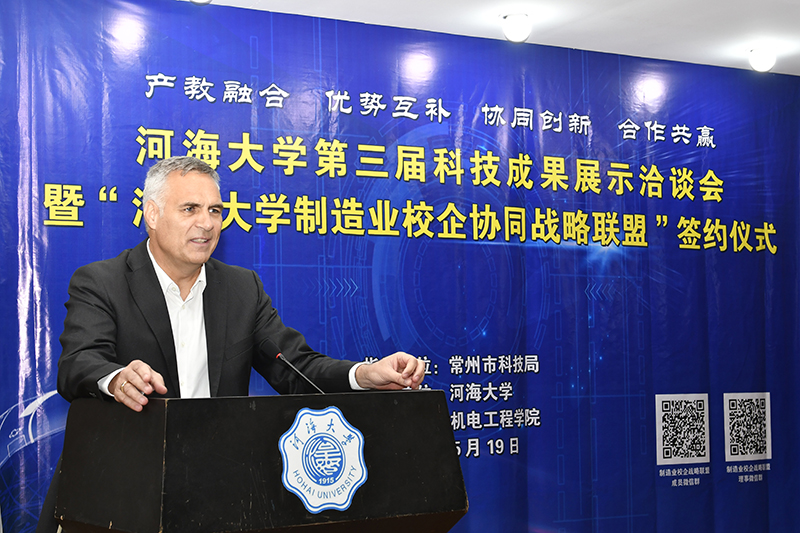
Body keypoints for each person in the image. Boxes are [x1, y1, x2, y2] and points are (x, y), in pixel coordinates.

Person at [37, 156, 425, 532]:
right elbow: (78, 362)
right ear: (152, 214)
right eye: (190, 209)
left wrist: (364, 375)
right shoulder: (102, 282)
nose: (206, 223)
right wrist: (117, 378)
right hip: (119, 497)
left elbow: (296, 367)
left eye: (215, 211)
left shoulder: (242, 289)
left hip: (216, 493)